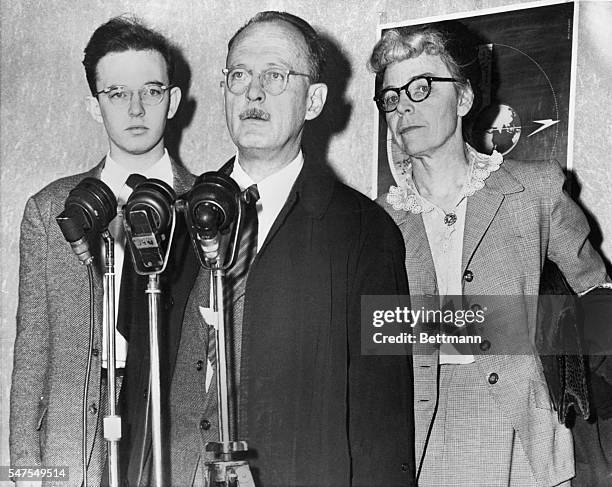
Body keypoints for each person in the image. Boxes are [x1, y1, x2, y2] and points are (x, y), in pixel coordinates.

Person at [168, 11, 415, 487]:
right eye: (238, 75)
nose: (253, 92)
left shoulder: (367, 231)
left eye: (275, 76)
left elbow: (383, 417)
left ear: (314, 100)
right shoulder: (175, 217)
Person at [369, 22, 612, 487]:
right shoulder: (378, 220)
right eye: (392, 97)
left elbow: (598, 297)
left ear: (462, 99)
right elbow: (374, 329)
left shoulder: (534, 189)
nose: (403, 107)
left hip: (522, 426)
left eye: (422, 88)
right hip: (414, 429)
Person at [9, 15, 195, 487]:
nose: (135, 109)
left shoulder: (208, 209)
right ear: (95, 106)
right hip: (74, 463)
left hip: (172, 456)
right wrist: (29, 475)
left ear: (172, 101)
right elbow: (32, 359)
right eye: (116, 94)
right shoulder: (49, 210)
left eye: (151, 91)